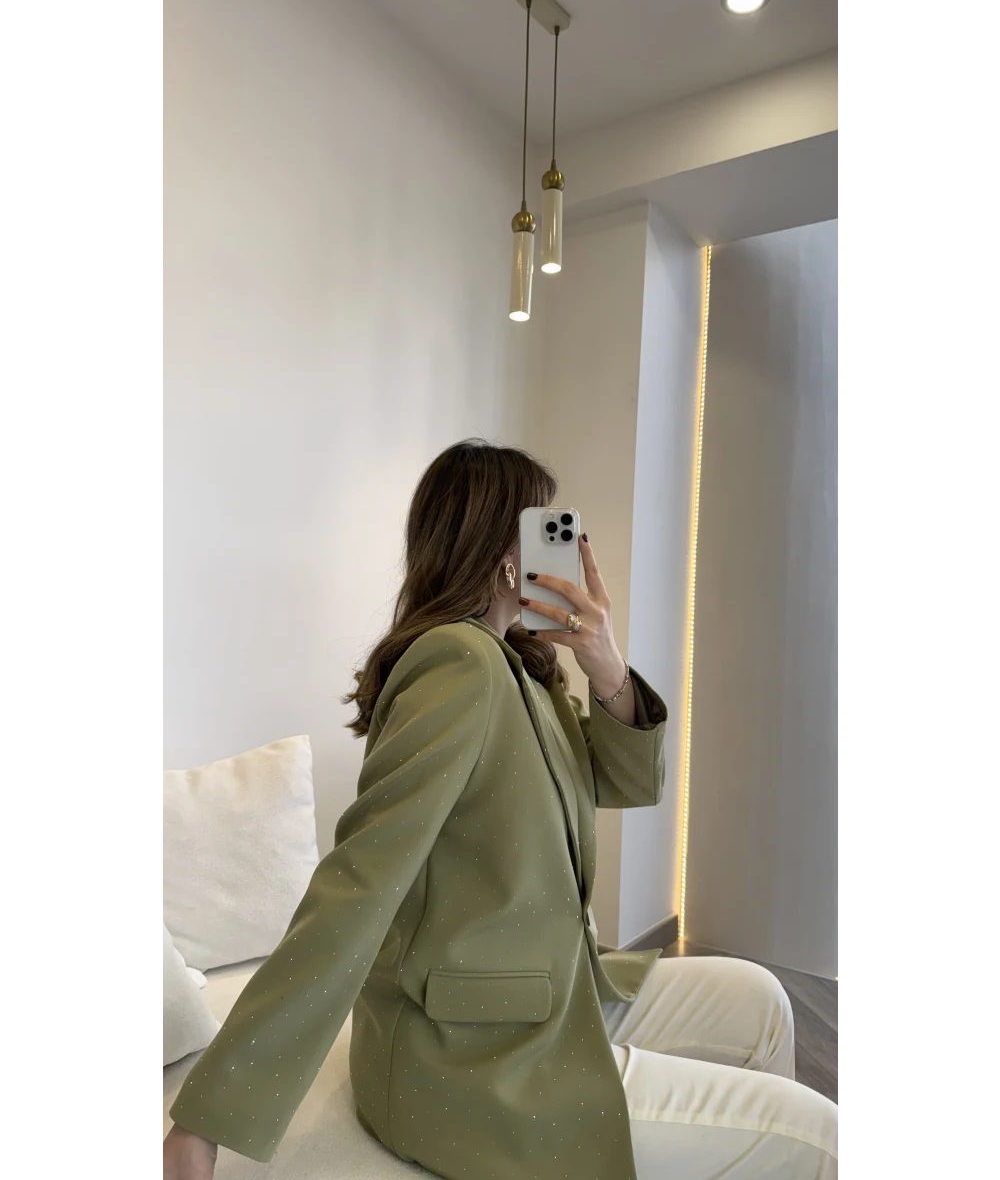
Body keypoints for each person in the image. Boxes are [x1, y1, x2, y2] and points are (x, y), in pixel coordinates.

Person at [161, 439, 839, 1179]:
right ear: (503, 553)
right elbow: (359, 886)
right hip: (473, 1052)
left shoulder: (521, 667)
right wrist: (204, 1119)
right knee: (823, 1137)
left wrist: (605, 663)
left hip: (555, 987)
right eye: (546, 525)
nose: (566, 546)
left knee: (762, 1000)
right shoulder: (459, 665)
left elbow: (623, 784)